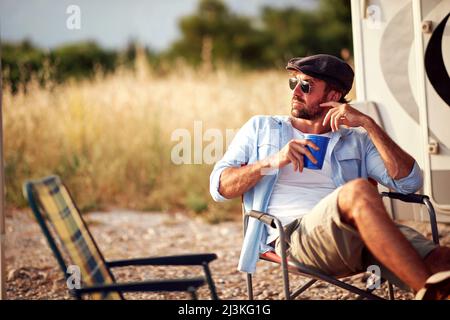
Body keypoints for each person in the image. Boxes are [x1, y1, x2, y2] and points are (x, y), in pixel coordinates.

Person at [209, 54, 450, 299]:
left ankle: (431, 290)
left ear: (333, 96)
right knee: (358, 191)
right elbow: (220, 187)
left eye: (306, 86)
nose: (295, 93)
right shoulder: (262, 128)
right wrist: (272, 161)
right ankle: (428, 291)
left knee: (442, 259)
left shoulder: (356, 140)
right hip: (295, 237)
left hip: (362, 231)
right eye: (294, 83)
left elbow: (409, 183)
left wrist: (368, 124)